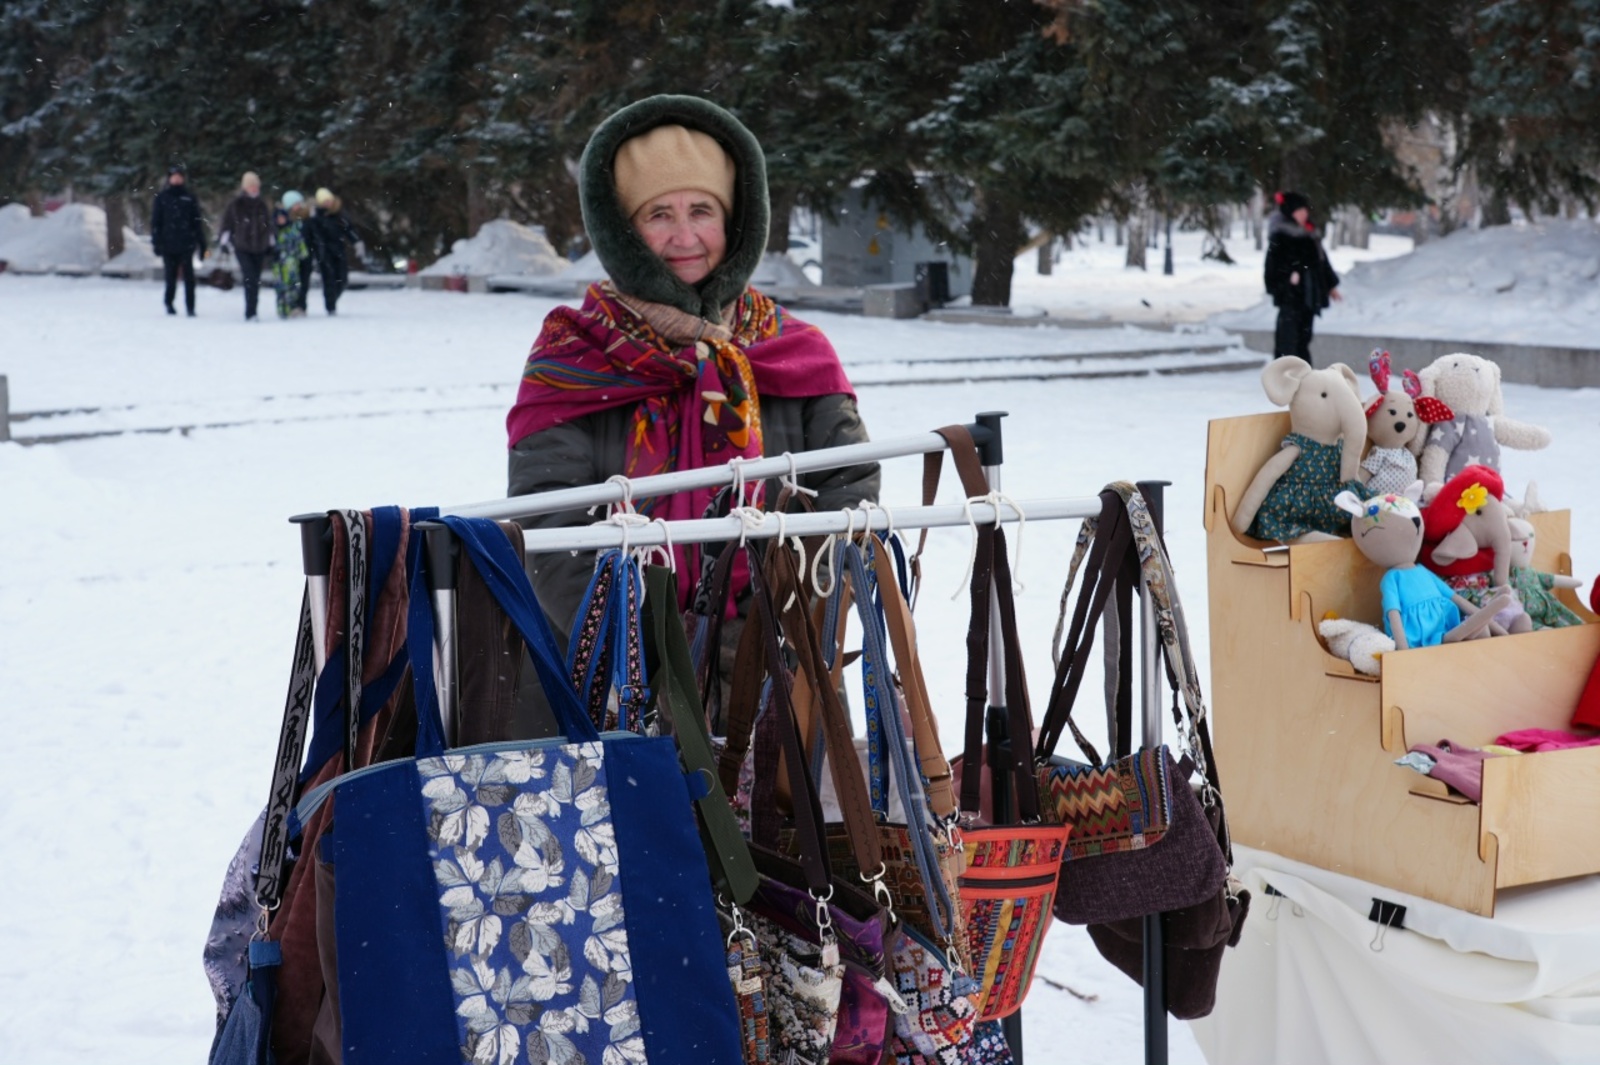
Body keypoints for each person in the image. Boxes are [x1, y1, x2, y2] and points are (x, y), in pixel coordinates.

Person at [505, 94, 878, 655]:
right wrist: (654, 658)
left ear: (734, 221)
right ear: (624, 232)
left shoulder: (794, 349)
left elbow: (849, 498)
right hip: (611, 680)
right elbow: (552, 528)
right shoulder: (573, 356)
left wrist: (763, 641)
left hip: (781, 671)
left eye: (702, 211)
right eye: (659, 214)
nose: (685, 237)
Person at [1264, 190, 1341, 362]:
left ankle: (1304, 373)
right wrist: (1288, 277)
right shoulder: (1281, 235)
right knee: (1287, 339)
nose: (1304, 214)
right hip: (1290, 296)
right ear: (1290, 212)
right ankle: (1286, 373)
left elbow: (1321, 261)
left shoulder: (1310, 233)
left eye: (1305, 210)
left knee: (1304, 338)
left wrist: (1331, 286)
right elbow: (1272, 266)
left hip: (1309, 294)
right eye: (1299, 210)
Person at [150, 164, 207, 317]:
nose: (176, 179)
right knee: (170, 277)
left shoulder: (189, 198)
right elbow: (156, 222)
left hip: (186, 243)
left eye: (179, 177)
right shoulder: (162, 198)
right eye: (174, 177)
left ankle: (190, 307)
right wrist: (156, 242)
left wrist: (202, 244)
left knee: (189, 278)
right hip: (168, 244)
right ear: (169, 179)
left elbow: (196, 222)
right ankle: (169, 303)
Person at [217, 171, 273, 321]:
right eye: (251, 186)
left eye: (256, 186)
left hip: (260, 247)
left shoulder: (262, 204)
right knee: (250, 278)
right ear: (245, 187)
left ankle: (253, 309)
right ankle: (250, 312)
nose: (254, 188)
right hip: (242, 247)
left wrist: (271, 243)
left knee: (255, 279)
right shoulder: (236, 204)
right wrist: (224, 242)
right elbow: (226, 224)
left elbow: (269, 226)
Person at [307, 187, 360, 315]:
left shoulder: (339, 215)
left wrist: (357, 242)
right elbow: (312, 235)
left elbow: (349, 230)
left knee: (342, 279)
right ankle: (330, 306)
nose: (327, 203)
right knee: (328, 279)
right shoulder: (315, 217)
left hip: (339, 250)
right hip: (324, 253)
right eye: (324, 201)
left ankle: (333, 299)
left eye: (329, 200)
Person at [269, 203, 308, 319]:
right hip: (278, 266)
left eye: (282, 218)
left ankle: (292, 307)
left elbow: (301, 246)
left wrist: (302, 255)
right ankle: (282, 309)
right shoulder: (273, 233)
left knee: (293, 287)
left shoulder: (292, 231)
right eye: (278, 218)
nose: (281, 220)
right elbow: (269, 247)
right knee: (280, 288)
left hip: (291, 264)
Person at [282, 190, 314, 313]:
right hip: (290, 255)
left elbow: (313, 236)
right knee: (291, 281)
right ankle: (291, 305)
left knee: (304, 281)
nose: (299, 206)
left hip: (306, 254)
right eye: (296, 204)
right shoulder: (284, 220)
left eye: (299, 203)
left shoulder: (307, 218)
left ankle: (301, 305)